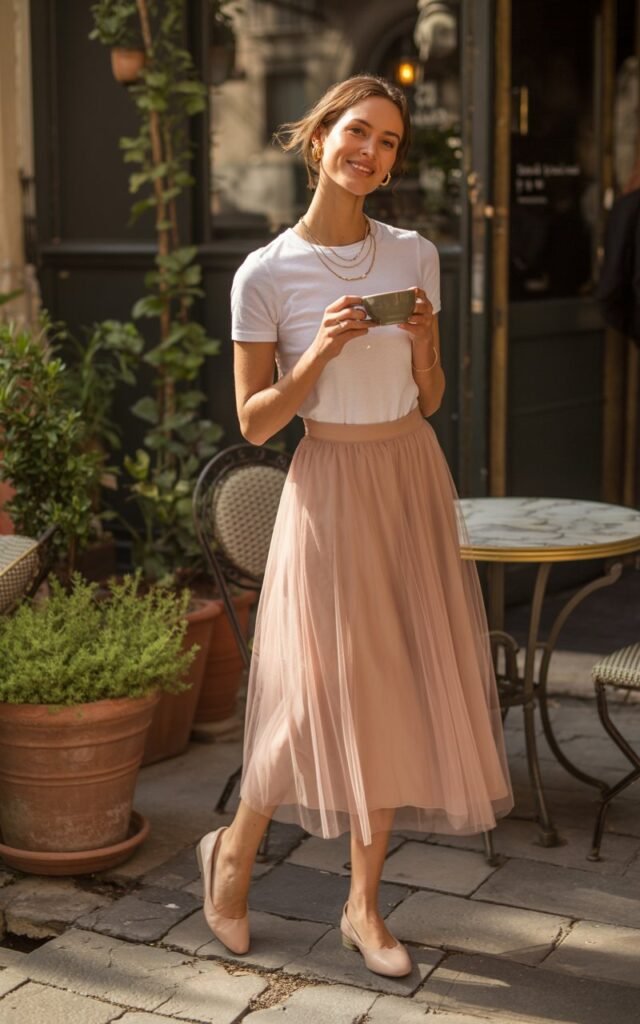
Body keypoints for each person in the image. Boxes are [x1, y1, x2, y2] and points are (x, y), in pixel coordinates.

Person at [196, 74, 513, 978]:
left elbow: (434, 394)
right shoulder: (265, 274)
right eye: (358, 132)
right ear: (320, 137)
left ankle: (364, 909)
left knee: (391, 687)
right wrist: (323, 353)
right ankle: (231, 858)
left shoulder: (416, 254)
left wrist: (418, 348)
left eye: (389, 142)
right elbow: (256, 421)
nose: (371, 152)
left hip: (409, 471)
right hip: (328, 483)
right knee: (306, 700)